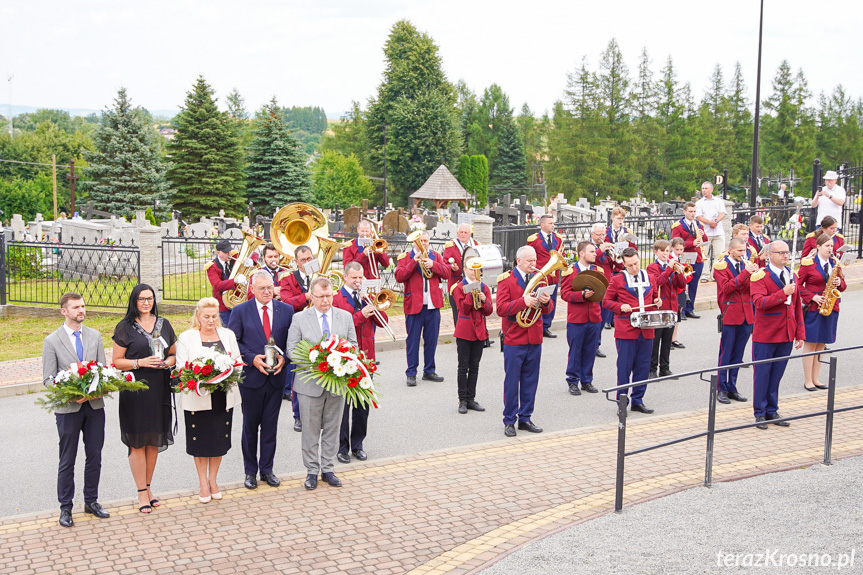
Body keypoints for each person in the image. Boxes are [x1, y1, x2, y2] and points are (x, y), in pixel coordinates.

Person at [42, 292, 110, 527]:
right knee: (67, 459)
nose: (81, 310)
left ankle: (91, 501)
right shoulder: (52, 341)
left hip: (94, 406)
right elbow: (49, 379)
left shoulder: (95, 336)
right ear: (64, 311)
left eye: (82, 306)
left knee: (95, 456)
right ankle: (66, 508)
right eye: (76, 307)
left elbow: (103, 370)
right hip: (68, 409)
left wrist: (99, 388)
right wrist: (72, 393)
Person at [287, 277, 358, 490]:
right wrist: (315, 363)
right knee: (309, 430)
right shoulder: (300, 318)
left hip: (337, 384)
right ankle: (311, 471)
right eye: (320, 297)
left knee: (332, 428)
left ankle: (328, 468)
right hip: (309, 385)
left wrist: (343, 361)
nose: (325, 300)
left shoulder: (345, 317)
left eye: (329, 296)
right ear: (312, 296)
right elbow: (291, 349)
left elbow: (353, 345)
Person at [112, 284, 177, 514]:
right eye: (141, 299)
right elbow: (117, 361)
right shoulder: (125, 327)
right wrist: (140, 363)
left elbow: (174, 354)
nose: (146, 303)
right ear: (134, 301)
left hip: (159, 389)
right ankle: (140, 493)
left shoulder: (164, 324)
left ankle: (148, 488)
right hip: (135, 390)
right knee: (137, 442)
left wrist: (167, 363)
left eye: (149, 298)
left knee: (153, 441)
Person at [228, 270, 293, 490]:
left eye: (270, 288)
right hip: (252, 379)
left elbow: (292, 342)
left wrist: (285, 358)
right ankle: (250, 472)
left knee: (270, 427)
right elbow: (233, 342)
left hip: (276, 380)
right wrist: (251, 358)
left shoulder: (286, 310)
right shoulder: (240, 311)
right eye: (262, 288)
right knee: (250, 427)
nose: (267, 292)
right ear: (252, 289)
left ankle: (267, 470)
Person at [176, 297, 242, 503]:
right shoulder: (187, 337)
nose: (211, 320)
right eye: (206, 316)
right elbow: (181, 368)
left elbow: (237, 363)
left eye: (214, 316)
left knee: (218, 442)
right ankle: (202, 482)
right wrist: (202, 379)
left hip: (223, 397)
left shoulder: (227, 335)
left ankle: (213, 480)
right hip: (198, 396)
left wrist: (228, 375)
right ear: (198, 316)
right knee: (201, 442)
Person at [496, 245, 553, 437]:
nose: (533, 264)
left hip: (534, 337)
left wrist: (546, 302)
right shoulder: (507, 280)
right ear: (518, 260)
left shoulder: (539, 279)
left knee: (530, 380)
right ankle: (509, 420)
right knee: (512, 381)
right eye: (529, 261)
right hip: (515, 337)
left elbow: (548, 309)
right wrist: (523, 302)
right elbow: (501, 309)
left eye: (535, 260)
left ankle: (526, 417)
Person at [333, 262, 386, 462]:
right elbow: (337, 328)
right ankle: (342, 447)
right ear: (345, 277)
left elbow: (383, 322)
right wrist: (360, 315)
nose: (358, 281)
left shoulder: (367, 297)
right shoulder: (337, 298)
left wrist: (374, 305)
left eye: (360, 277)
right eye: (354, 277)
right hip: (345, 358)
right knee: (343, 406)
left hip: (367, 358)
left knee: (362, 406)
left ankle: (358, 445)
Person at [749, 241, 805, 429]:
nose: (785, 255)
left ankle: (772, 409)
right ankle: (760, 412)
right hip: (766, 334)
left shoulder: (791, 274)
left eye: (787, 252)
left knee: (777, 374)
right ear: (770, 255)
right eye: (781, 252)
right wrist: (783, 293)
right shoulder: (760, 276)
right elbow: (759, 303)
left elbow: (796, 306)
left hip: (786, 333)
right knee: (763, 374)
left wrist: (799, 333)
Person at [602, 248, 661, 414]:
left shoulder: (650, 277)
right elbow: (606, 301)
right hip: (626, 330)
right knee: (624, 367)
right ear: (624, 264)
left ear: (639, 259)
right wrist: (620, 306)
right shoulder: (617, 279)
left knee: (643, 367)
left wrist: (657, 300)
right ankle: (622, 402)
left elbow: (655, 295)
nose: (634, 268)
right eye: (629, 265)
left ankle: (638, 400)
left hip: (646, 329)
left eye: (635, 263)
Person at [395, 230, 450, 387]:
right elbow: (399, 276)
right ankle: (411, 373)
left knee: (431, 340)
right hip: (414, 305)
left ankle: (429, 370)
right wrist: (414, 261)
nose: (423, 244)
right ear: (414, 242)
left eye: (425, 241)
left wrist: (434, 265)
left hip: (433, 305)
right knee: (412, 341)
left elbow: (446, 273)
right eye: (420, 241)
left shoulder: (436, 256)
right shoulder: (405, 257)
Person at [797, 234, 846, 391]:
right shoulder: (808, 264)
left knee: (821, 343)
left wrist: (840, 282)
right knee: (810, 343)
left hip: (831, 306)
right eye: (827, 246)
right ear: (818, 247)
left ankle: (816, 378)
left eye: (831, 246)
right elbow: (798, 285)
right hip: (814, 308)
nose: (830, 249)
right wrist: (812, 297)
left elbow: (843, 286)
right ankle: (807, 380)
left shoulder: (835, 263)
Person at [713, 238, 757, 404]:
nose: (742, 254)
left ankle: (732, 386)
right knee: (726, 353)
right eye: (739, 251)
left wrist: (755, 274)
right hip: (731, 314)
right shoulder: (721, 266)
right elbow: (726, 288)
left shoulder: (745, 264)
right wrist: (746, 273)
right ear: (730, 250)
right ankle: (721, 388)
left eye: (743, 251)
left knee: (738, 355)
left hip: (747, 314)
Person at [278, 244, 316, 431]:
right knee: (298, 374)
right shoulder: (288, 280)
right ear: (296, 262)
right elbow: (286, 302)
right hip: (298, 331)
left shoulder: (319, 275)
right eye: (303, 260)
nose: (307, 263)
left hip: (318, 330)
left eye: (310, 259)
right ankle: (298, 415)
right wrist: (306, 296)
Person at [560, 241, 603, 396]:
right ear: (581, 253)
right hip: (577, 318)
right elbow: (564, 293)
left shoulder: (598, 271)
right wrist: (581, 295)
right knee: (576, 350)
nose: (595, 254)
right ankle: (573, 380)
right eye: (591, 251)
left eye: (594, 251)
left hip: (594, 317)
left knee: (590, 350)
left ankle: (586, 380)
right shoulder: (570, 271)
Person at [450, 257, 492, 413]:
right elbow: (463, 308)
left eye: (477, 269)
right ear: (465, 270)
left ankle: (471, 399)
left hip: (479, 332)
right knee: (463, 367)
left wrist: (484, 300)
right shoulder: (458, 287)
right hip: (464, 331)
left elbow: (488, 310)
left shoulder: (484, 287)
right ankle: (462, 400)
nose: (475, 272)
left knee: (475, 367)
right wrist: (472, 291)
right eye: (471, 268)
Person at [646, 240, 686, 379]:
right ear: (656, 252)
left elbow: (681, 284)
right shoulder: (652, 267)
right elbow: (658, 282)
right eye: (662, 251)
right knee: (656, 340)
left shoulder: (673, 266)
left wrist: (679, 271)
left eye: (668, 251)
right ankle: (651, 370)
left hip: (671, 308)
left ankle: (665, 368)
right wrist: (669, 268)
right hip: (659, 308)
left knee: (667, 341)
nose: (665, 253)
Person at [527, 214, 563, 338]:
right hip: (540, 275)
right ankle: (538, 324)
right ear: (542, 225)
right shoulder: (534, 239)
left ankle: (546, 327)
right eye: (550, 223)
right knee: (539, 300)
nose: (553, 225)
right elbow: (530, 256)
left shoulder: (558, 238)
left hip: (553, 276)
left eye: (553, 223)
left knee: (551, 300)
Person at [671, 202, 706, 318]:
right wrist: (691, 243)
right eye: (690, 211)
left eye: (694, 211)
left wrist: (703, 234)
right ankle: (681, 309)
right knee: (683, 283)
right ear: (684, 212)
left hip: (698, 257)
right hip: (685, 257)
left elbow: (704, 240)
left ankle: (690, 309)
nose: (693, 214)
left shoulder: (699, 224)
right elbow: (675, 241)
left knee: (694, 284)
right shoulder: (678, 226)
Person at [442, 223, 479, 326]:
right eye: (461, 232)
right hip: (457, 286)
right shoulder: (451, 247)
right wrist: (452, 268)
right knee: (459, 316)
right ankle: (461, 339)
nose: (463, 234)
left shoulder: (476, 244)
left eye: (465, 232)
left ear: (470, 234)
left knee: (476, 313)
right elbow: (444, 266)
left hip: (474, 284)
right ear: (457, 233)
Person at [205, 239, 248, 327]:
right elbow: (217, 285)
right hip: (223, 305)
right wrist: (234, 281)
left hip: (238, 302)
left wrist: (251, 262)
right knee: (227, 329)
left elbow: (252, 255)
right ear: (218, 253)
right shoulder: (212, 267)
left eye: (230, 251)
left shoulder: (234, 256)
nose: (229, 254)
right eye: (226, 252)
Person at [588, 222, 615, 356]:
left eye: (603, 234)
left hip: (607, 284)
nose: (601, 237)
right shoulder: (587, 245)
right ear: (592, 234)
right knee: (594, 317)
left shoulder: (607, 245)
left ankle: (596, 344)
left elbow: (614, 265)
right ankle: (590, 344)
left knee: (602, 317)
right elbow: (589, 259)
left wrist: (614, 257)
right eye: (599, 234)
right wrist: (600, 250)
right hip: (594, 283)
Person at [695, 181, 727, 281]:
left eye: (706, 188)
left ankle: (715, 275)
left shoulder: (718, 201)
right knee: (705, 255)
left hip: (718, 231)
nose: (704, 190)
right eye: (703, 188)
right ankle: (705, 275)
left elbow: (723, 213)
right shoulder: (699, 203)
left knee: (719, 254)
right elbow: (699, 216)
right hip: (705, 232)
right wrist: (710, 222)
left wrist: (716, 221)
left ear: (711, 189)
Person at [669, 238, 691, 349]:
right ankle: (667, 339)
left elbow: (689, 274)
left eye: (681, 249)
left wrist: (686, 274)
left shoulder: (684, 259)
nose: (679, 252)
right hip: (672, 289)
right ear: (672, 248)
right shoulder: (669, 258)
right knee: (671, 314)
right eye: (677, 249)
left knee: (678, 314)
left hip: (681, 289)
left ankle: (674, 338)